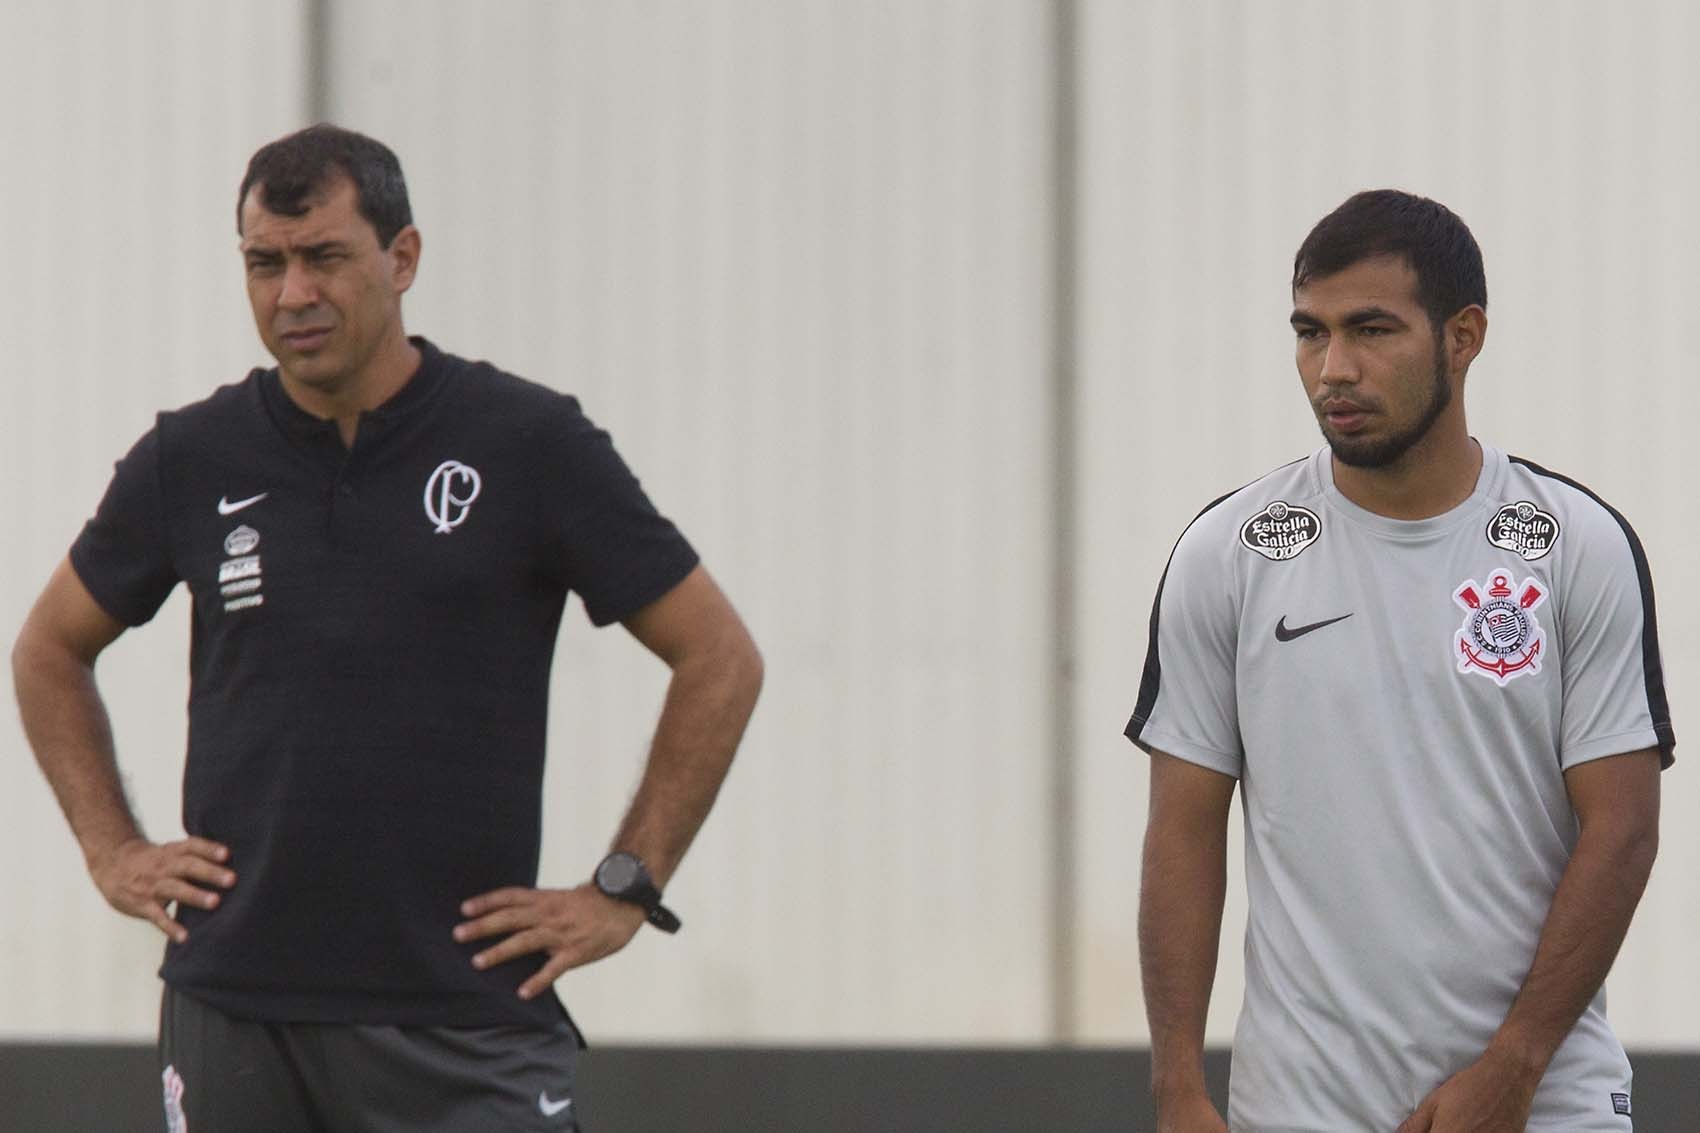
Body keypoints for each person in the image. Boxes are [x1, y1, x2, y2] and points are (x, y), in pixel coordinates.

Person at [11, 124, 763, 1132]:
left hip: (461, 1018)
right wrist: (112, 849)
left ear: (401, 258)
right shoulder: (189, 456)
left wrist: (622, 886)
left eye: (324, 257)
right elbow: (48, 648)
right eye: (264, 264)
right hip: (236, 1009)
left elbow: (718, 656)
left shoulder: (528, 442)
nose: (292, 294)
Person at [1128, 190, 1672, 1131]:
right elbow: (1182, 834)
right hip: (1303, 1108)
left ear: (1464, 337)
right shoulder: (1231, 553)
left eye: (1371, 330)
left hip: (1543, 1105)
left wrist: (1515, 1066)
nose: (1333, 368)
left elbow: (1621, 830)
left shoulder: (1571, 545)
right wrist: (1177, 1086)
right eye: (1310, 333)